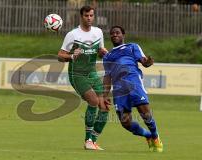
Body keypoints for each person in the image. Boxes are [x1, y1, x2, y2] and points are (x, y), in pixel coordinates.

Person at [103, 26, 163, 152]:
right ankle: (148, 135)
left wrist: (147, 63)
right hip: (119, 90)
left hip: (134, 83)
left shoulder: (132, 46)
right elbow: (107, 76)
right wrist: (104, 96)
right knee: (126, 123)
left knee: (145, 113)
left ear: (123, 35)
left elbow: (143, 61)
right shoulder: (108, 56)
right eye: (112, 33)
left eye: (117, 33)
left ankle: (156, 136)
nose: (114, 35)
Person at [58, 6, 109, 150]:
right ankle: (87, 141)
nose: (89, 18)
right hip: (77, 74)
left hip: (92, 73)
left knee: (104, 106)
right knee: (93, 100)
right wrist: (72, 56)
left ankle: (93, 140)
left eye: (91, 15)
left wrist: (103, 52)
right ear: (81, 16)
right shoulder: (72, 35)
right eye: (86, 15)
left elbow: (99, 51)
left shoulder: (98, 32)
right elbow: (60, 56)